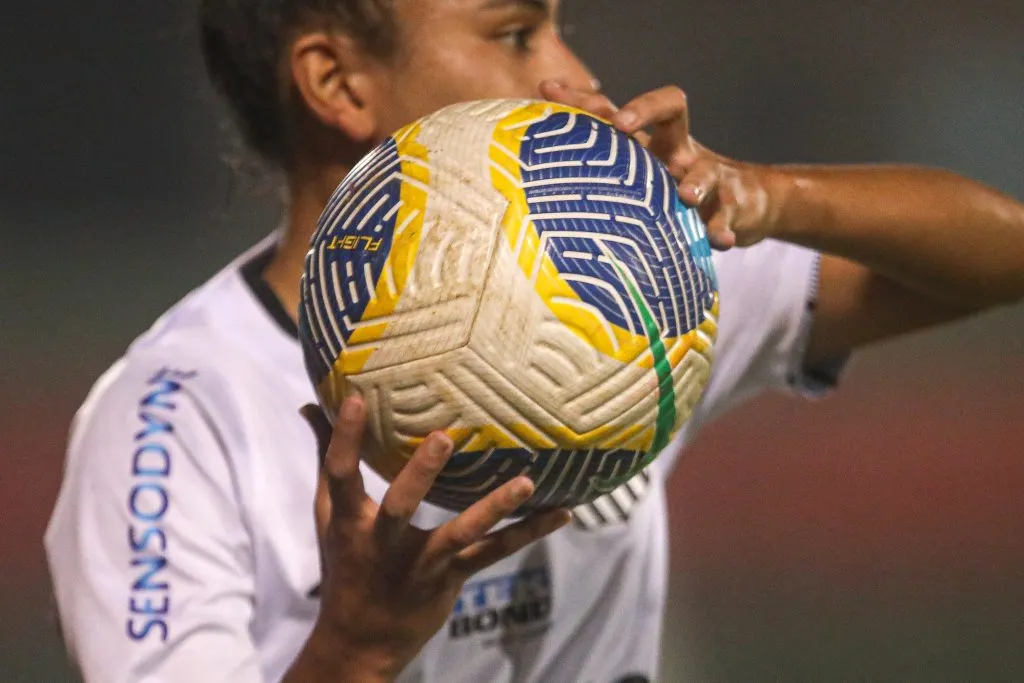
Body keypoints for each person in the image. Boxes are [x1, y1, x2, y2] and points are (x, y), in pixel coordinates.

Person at [44, 1, 1024, 681]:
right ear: (336, 80)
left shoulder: (628, 301)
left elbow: (1000, 253)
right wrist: (356, 647)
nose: (573, 75)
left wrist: (774, 196)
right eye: (514, 31)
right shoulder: (175, 415)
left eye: (560, 25)